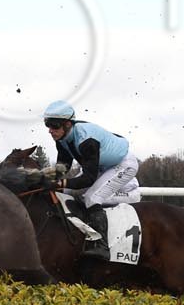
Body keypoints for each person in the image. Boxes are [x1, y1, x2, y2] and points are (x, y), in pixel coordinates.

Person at [41, 101, 141, 242]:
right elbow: (63, 166)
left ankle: (102, 243)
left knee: (92, 198)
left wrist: (60, 183)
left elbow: (88, 179)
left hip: (124, 164)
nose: (50, 130)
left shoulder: (86, 140)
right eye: (47, 124)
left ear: (68, 124)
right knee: (65, 192)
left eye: (54, 125)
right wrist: (44, 178)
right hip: (102, 166)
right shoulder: (61, 138)